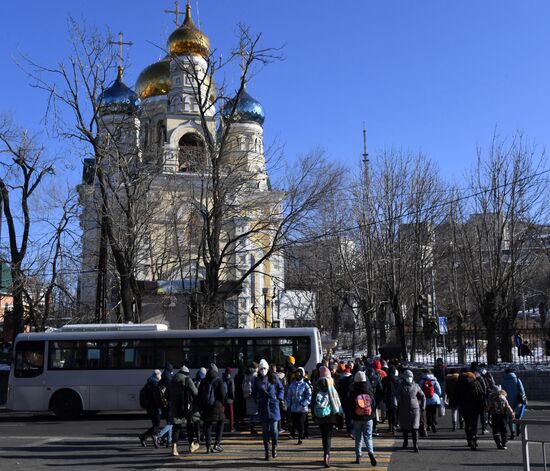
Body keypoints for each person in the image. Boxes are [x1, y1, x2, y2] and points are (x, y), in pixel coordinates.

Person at [254, 359, 285, 461]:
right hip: (263, 407)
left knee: (274, 430)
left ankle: (274, 446)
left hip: (273, 406)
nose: (263, 370)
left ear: (268, 369)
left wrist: (279, 398)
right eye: (261, 368)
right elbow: (253, 392)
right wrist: (257, 400)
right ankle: (267, 452)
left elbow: (281, 389)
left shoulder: (274, 378)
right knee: (265, 431)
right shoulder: (257, 380)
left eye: (264, 368)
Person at [312, 365, 343, 468]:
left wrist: (313, 415)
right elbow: (337, 402)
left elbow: (312, 403)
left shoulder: (316, 387)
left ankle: (325, 453)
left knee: (324, 436)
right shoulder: (332, 387)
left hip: (320, 415)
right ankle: (327, 455)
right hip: (331, 416)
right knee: (328, 436)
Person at [169, 365, 200, 456]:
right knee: (189, 424)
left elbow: (167, 395)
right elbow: (195, 393)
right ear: (187, 373)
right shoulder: (187, 379)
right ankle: (191, 445)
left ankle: (174, 448)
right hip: (187, 406)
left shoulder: (172, 380)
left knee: (177, 426)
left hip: (175, 407)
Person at [349, 371, 377, 466]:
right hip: (368, 418)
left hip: (357, 418)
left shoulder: (353, 392)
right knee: (368, 436)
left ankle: (358, 455)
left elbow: (351, 406)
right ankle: (370, 452)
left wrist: (352, 416)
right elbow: (373, 404)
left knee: (358, 437)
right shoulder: (369, 391)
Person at [197, 363, 227, 453]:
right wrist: (223, 403)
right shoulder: (219, 380)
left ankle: (208, 446)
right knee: (221, 422)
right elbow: (222, 395)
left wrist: (201, 406)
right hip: (217, 406)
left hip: (206, 406)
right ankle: (217, 444)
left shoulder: (203, 381)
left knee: (207, 426)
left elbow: (199, 395)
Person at [395, 369, 425, 453]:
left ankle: (416, 445)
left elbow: (422, 395)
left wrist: (423, 405)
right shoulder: (401, 386)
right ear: (404, 377)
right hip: (404, 409)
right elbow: (395, 395)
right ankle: (405, 442)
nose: (409, 378)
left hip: (415, 409)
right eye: (407, 377)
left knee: (415, 428)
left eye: (410, 377)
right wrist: (396, 402)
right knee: (405, 427)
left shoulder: (416, 386)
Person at [456, 368, 485, 450]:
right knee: (474, 424)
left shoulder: (459, 384)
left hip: (464, 407)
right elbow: (481, 393)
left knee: (467, 423)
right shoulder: (475, 383)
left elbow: (456, 396)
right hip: (475, 406)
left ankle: (469, 440)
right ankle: (474, 438)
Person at [286, 366, 312, 444]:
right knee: (295, 423)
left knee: (301, 423)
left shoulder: (305, 384)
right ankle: (296, 433)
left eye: (300, 373)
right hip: (294, 408)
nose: (298, 375)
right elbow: (289, 395)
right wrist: (288, 405)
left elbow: (309, 396)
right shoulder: (292, 384)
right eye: (297, 373)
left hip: (302, 409)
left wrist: (304, 403)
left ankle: (300, 437)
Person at [138, 369, 163, 448]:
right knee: (157, 426)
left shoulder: (148, 383)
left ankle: (155, 442)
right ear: (158, 375)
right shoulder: (156, 384)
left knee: (154, 425)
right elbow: (157, 397)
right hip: (155, 407)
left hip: (149, 407)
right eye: (160, 375)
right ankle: (144, 436)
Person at [502, 368, 527, 439]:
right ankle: (518, 429)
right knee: (518, 415)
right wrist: (524, 400)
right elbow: (522, 391)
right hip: (517, 401)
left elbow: (503, 392)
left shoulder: (504, 381)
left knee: (510, 417)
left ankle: (512, 433)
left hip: (509, 402)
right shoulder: (517, 380)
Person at [487, 385, 515, 450]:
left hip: (494, 416)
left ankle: (498, 442)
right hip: (503, 416)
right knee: (504, 429)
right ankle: (504, 443)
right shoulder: (503, 397)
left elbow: (488, 407)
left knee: (495, 430)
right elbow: (508, 406)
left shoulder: (491, 398)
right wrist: (512, 413)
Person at [156, 363, 175, 447]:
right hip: (170, 404)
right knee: (171, 423)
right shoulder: (170, 380)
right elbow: (171, 393)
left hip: (162, 403)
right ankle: (158, 435)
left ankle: (169, 441)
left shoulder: (161, 380)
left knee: (169, 422)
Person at [418, 369, 442, 433]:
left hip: (426, 399)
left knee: (428, 412)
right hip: (434, 399)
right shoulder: (434, 380)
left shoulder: (422, 381)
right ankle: (433, 423)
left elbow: (419, 390)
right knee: (433, 412)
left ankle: (429, 425)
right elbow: (439, 391)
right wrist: (436, 395)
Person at [382, 366, 400, 434]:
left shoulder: (384, 379)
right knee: (395, 412)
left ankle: (390, 426)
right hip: (396, 398)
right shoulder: (397, 379)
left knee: (389, 412)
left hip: (387, 397)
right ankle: (395, 425)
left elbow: (382, 388)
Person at [243, 363, 259, 434]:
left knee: (250, 412)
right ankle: (253, 427)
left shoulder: (246, 374)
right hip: (253, 395)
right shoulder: (255, 375)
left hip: (247, 395)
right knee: (255, 413)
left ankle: (251, 426)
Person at [222, 367, 236, 432]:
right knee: (231, 414)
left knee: (222, 414)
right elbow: (232, 391)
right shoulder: (231, 380)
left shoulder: (222, 379)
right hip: (229, 399)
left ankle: (221, 427)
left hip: (223, 399)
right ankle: (231, 428)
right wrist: (233, 398)